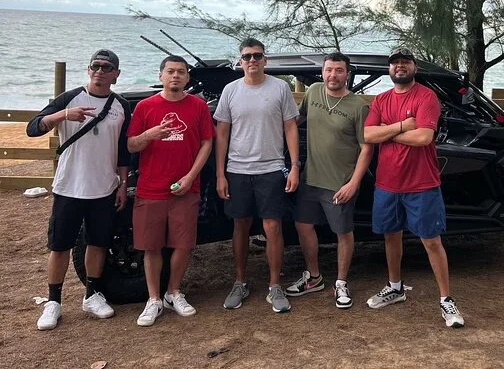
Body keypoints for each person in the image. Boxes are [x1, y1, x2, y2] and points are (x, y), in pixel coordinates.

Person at [27, 49, 131, 331]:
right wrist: (63, 115)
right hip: (69, 186)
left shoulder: (121, 105)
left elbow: (123, 150)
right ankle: (53, 301)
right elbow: (33, 128)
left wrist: (123, 184)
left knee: (98, 242)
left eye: (107, 67)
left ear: (116, 74)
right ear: (88, 69)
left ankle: (92, 294)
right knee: (60, 245)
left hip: (104, 187)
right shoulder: (70, 98)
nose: (100, 71)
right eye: (95, 66)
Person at [363, 47, 465, 328]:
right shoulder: (381, 99)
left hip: (421, 183)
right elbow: (368, 134)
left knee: (431, 241)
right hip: (387, 183)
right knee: (391, 236)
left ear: (414, 67)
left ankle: (446, 300)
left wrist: (387, 132)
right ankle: (395, 287)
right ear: (389, 69)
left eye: (405, 62)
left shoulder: (426, 96)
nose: (400, 66)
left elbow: (423, 138)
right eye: (395, 63)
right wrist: (401, 126)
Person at [127, 55, 214, 327]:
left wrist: (190, 177)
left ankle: (173, 292)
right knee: (151, 245)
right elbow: (131, 145)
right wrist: (149, 135)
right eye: (170, 71)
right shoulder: (145, 107)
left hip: (186, 187)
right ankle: (153, 299)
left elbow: (207, 143)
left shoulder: (198, 106)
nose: (175, 76)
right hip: (151, 187)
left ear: (187, 77)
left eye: (181, 72)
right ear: (161, 76)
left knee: (183, 244)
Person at [214, 38, 300, 313]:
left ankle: (275, 285)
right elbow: (222, 134)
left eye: (257, 56)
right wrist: (220, 174)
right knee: (240, 226)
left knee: (273, 228)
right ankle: (240, 282)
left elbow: (290, 127)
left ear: (265, 59)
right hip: (237, 169)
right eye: (247, 56)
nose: (252, 60)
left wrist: (294, 166)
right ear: (240, 61)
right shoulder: (231, 90)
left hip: (271, 168)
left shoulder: (280, 88)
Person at [285, 52, 372, 309]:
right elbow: (297, 120)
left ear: (347, 74)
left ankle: (341, 282)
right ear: (323, 72)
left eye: (339, 70)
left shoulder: (358, 106)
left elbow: (367, 148)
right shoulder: (313, 91)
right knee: (303, 225)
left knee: (342, 232)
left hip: (340, 182)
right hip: (311, 177)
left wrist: (353, 183)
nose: (333, 75)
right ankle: (314, 276)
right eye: (329, 70)